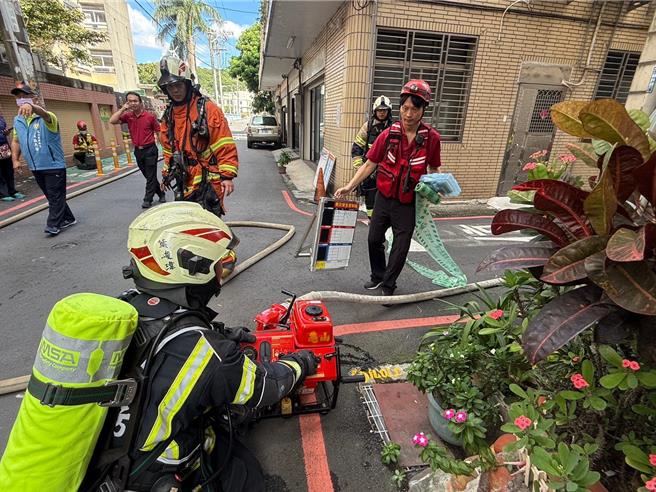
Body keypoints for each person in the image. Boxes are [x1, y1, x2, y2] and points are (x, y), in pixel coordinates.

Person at [82, 202, 317, 491]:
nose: (223, 269)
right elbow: (267, 387)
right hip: (155, 478)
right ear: (193, 267)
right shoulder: (207, 353)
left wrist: (222, 334)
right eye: (219, 263)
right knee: (244, 474)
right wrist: (302, 362)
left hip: (105, 462)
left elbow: (166, 345)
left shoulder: (126, 304)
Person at [335, 80, 442, 298]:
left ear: (423, 110)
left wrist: (437, 186)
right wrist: (349, 186)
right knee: (374, 238)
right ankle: (378, 276)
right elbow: (369, 164)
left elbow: (434, 168)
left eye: (414, 109)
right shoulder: (388, 134)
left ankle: (389, 285)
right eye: (405, 108)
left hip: (408, 202)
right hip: (383, 197)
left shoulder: (432, 139)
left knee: (400, 247)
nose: (409, 114)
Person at [157, 57, 238, 217]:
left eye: (178, 85)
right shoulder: (169, 115)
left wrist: (227, 176)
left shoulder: (208, 109)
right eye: (170, 87)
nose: (175, 90)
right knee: (188, 222)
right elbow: (168, 148)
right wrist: (166, 174)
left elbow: (224, 143)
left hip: (208, 178)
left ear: (187, 83)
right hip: (184, 178)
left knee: (208, 222)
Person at [10, 81, 75, 235]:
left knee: (54, 195)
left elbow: (44, 114)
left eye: (25, 96)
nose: (21, 99)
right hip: (35, 166)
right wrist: (15, 159)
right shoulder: (17, 120)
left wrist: (33, 108)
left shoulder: (47, 117)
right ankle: (68, 218)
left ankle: (53, 224)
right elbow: (16, 140)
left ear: (35, 99)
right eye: (18, 97)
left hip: (53, 165)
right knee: (53, 196)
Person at [109, 91, 166, 208]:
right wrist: (123, 109)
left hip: (150, 149)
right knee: (148, 175)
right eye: (130, 101)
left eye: (135, 101)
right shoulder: (128, 116)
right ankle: (160, 192)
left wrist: (164, 149)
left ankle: (147, 199)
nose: (132, 103)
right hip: (138, 151)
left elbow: (158, 132)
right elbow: (112, 120)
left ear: (140, 103)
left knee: (150, 176)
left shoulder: (150, 117)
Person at [351, 95, 393, 217]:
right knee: (370, 198)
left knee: (386, 199)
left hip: (387, 171)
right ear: (375, 111)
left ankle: (383, 222)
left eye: (384, 110)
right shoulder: (368, 126)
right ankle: (371, 220)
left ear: (389, 111)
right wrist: (360, 168)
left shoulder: (394, 128)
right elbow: (357, 147)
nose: (381, 113)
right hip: (369, 171)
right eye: (379, 110)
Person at [0, 114, 25, 201]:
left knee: (9, 170)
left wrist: (7, 132)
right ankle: (4, 194)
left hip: (4, 148)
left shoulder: (1, 118)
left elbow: (4, 132)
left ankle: (12, 191)